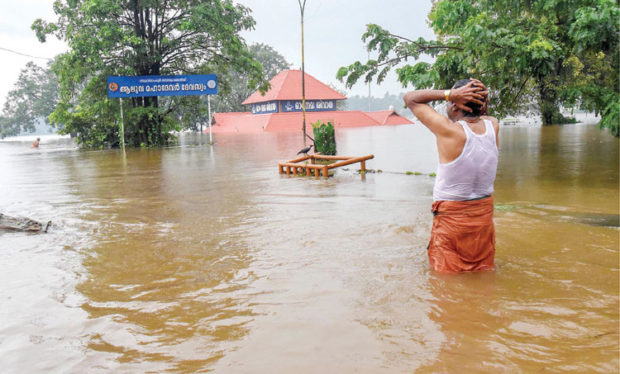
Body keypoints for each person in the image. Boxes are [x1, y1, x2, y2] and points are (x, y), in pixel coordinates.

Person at [403, 78, 499, 274]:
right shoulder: (493, 126)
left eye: (449, 103)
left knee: (444, 280)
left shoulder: (450, 131)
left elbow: (410, 99)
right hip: (483, 219)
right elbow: (483, 115)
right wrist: (479, 97)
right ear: (483, 105)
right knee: (482, 272)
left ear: (455, 105)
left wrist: (449, 94)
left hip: (452, 220)